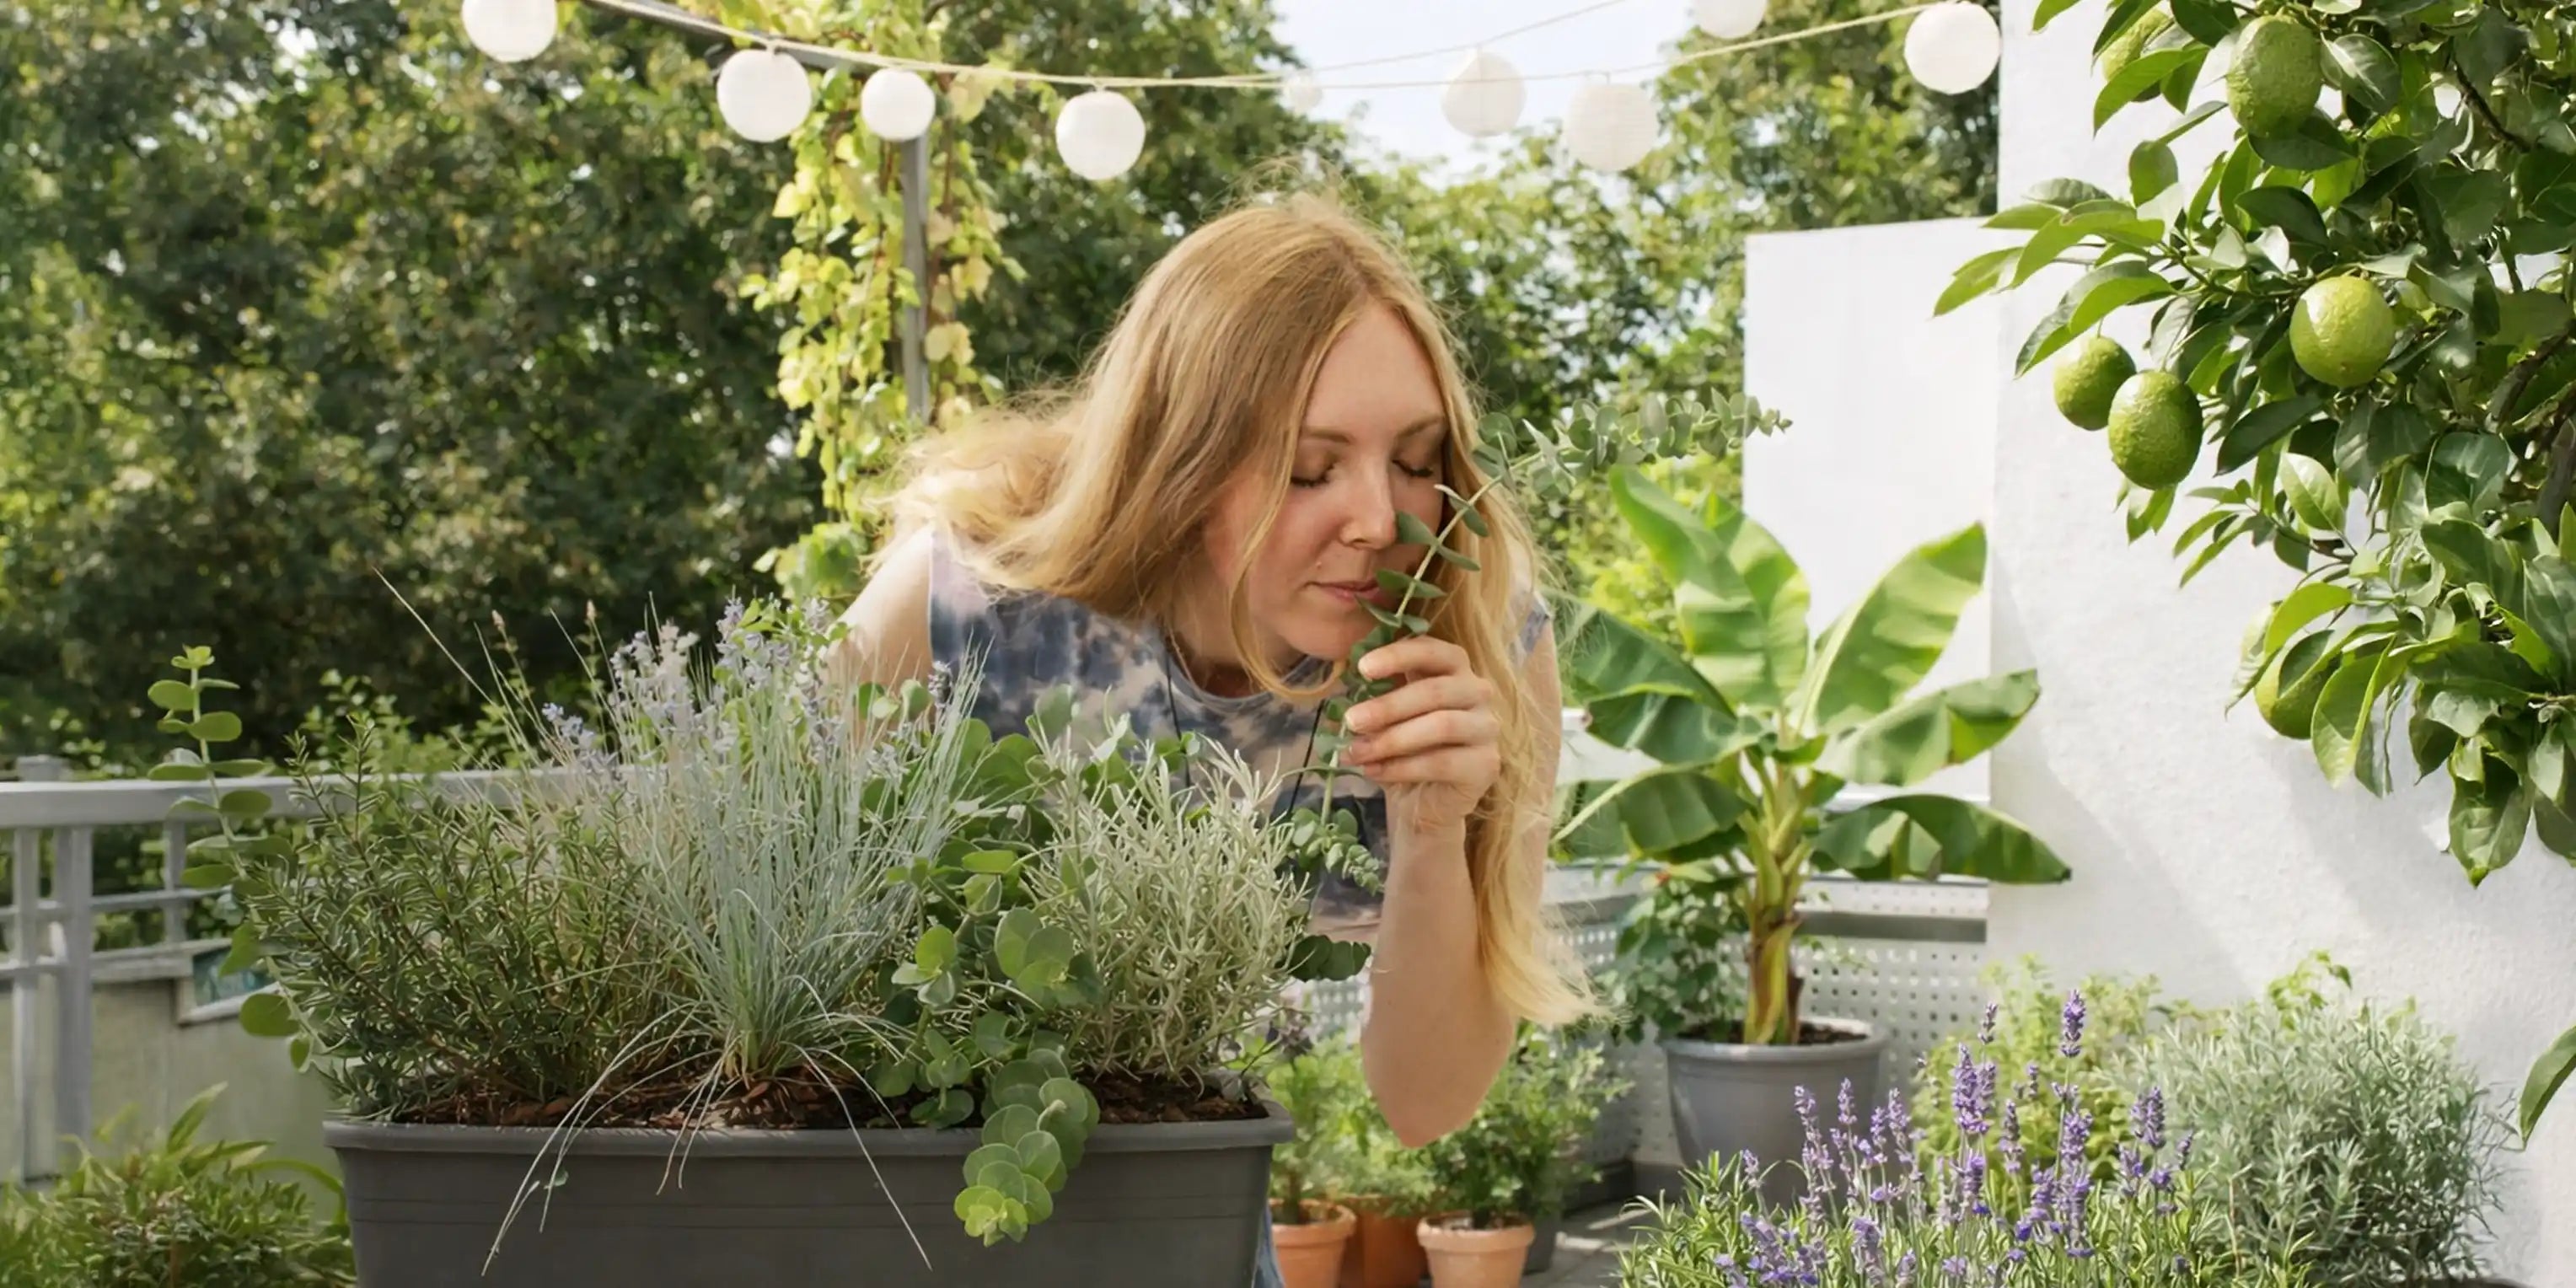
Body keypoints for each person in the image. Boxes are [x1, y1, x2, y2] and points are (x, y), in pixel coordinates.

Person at [825, 192, 1594, 1284]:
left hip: (1187, 1223)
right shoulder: (963, 613)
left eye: (1417, 458)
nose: (1379, 518)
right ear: (1182, 464)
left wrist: (1432, 832)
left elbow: (1428, 1103)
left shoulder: (1477, 645)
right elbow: (763, 983)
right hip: (910, 1213)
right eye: (1311, 467)